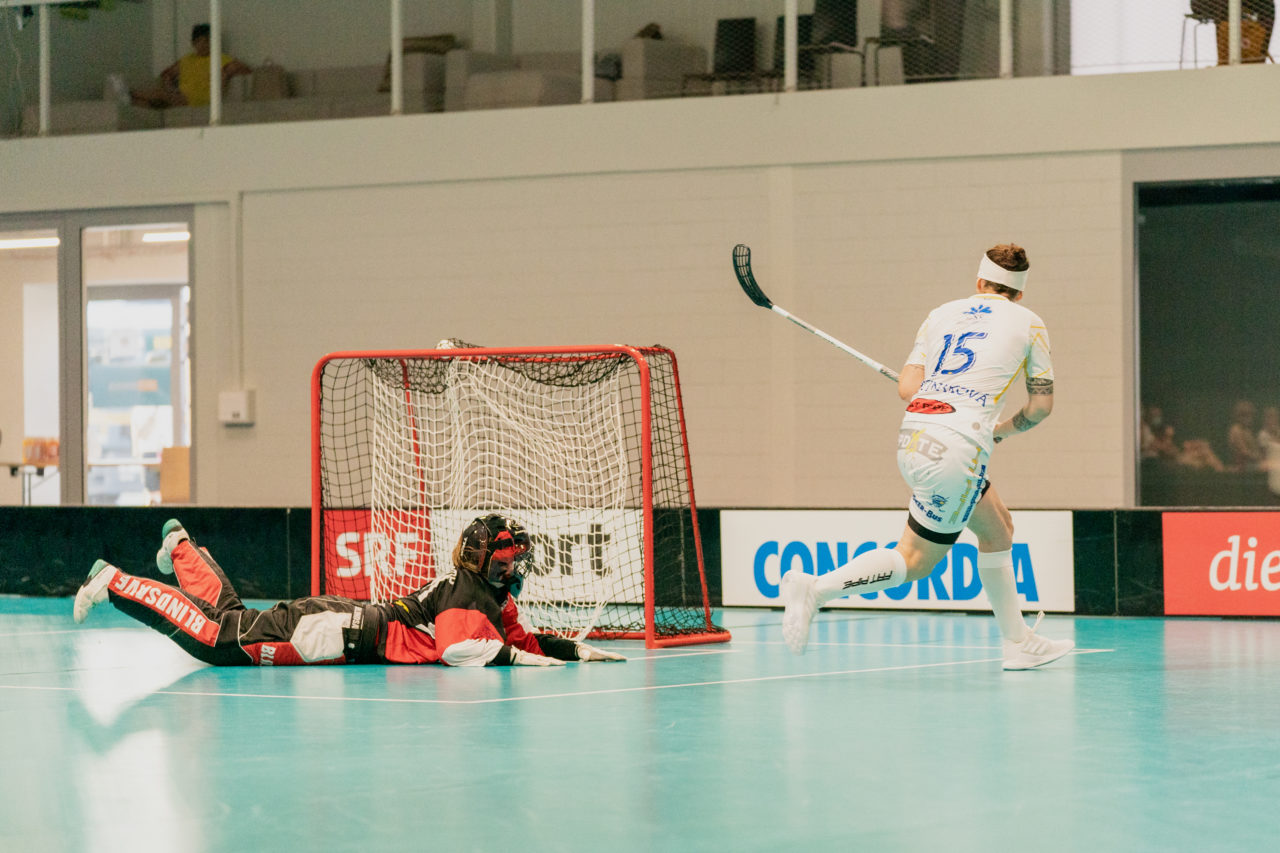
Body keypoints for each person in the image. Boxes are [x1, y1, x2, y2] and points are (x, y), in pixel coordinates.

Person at [780, 243, 1074, 671]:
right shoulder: (1030, 324)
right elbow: (1039, 408)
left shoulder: (940, 315)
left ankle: (1018, 642)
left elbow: (906, 388)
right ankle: (817, 590)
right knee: (916, 560)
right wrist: (1004, 430)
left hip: (914, 436)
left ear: (979, 283)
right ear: (1020, 294)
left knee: (998, 528)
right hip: (959, 447)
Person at [72, 514, 625, 667]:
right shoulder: (466, 594)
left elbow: (521, 641)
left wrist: (572, 650)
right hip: (337, 631)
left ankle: (182, 547)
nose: (513, 568)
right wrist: (520, 662)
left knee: (234, 618)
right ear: (484, 561)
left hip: (347, 625)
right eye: (506, 559)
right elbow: (459, 651)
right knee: (218, 641)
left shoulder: (489, 596)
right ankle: (113, 581)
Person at [131, 24, 252, 109]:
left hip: (199, 99)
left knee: (160, 94)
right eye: (200, 41)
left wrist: (225, 73)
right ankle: (131, 99)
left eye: (208, 41)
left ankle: (128, 93)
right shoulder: (187, 60)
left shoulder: (220, 57)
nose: (204, 45)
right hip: (180, 96)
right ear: (194, 43)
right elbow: (166, 74)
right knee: (144, 103)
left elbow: (246, 69)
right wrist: (169, 85)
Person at [1226, 399, 1264, 471]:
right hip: (1243, 467)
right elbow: (1244, 452)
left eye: (1250, 415)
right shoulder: (1236, 430)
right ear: (1238, 416)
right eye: (1245, 415)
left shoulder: (1247, 431)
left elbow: (1255, 449)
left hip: (1252, 464)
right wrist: (1259, 458)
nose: (1249, 418)